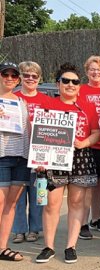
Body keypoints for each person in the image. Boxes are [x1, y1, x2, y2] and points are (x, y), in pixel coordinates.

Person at [35, 63, 100, 264]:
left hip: (80, 157)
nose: (70, 84)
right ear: (58, 84)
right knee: (51, 204)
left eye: (75, 82)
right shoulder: (47, 105)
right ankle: (48, 246)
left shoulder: (87, 106)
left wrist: (83, 142)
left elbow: (97, 133)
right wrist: (40, 159)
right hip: (53, 158)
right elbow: (39, 134)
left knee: (76, 203)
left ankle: (71, 246)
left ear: (80, 86)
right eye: (66, 81)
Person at [12, 61, 51, 244]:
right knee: (18, 194)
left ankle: (35, 228)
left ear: (39, 79)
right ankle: (19, 229)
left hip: (41, 157)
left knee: (39, 194)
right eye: (26, 75)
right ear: (20, 77)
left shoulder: (47, 101)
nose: (30, 78)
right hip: (18, 153)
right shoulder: (12, 98)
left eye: (34, 76)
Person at [77, 55, 100, 240]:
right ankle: (82, 223)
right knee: (87, 185)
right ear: (86, 72)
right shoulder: (80, 90)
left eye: (99, 69)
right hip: (88, 143)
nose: (95, 72)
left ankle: (96, 218)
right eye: (92, 69)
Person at [0, 62, 29, 261]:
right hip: (1, 156)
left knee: (11, 204)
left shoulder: (21, 103)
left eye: (13, 76)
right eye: (5, 74)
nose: (9, 78)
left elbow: (28, 129)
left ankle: (2, 248)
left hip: (21, 157)